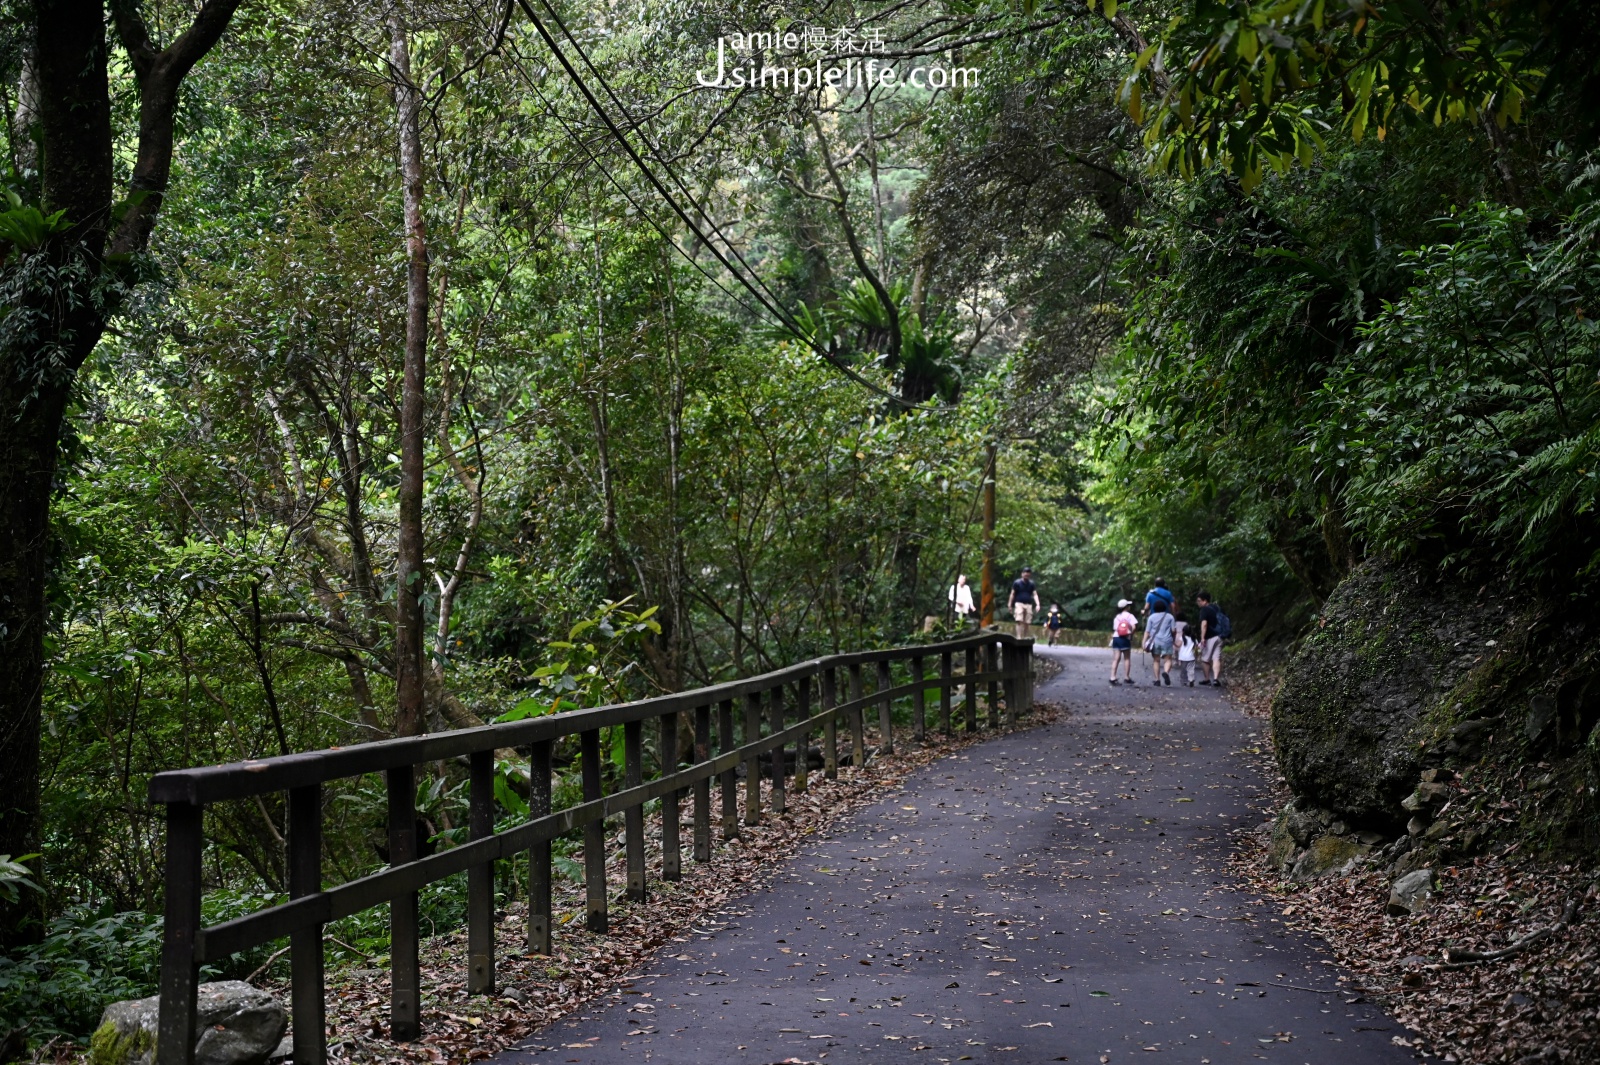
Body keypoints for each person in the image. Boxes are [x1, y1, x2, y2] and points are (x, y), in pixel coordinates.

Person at [1196, 590, 1224, 686]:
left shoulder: (1204, 610)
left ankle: (1207, 679)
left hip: (1210, 637)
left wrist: (1202, 637)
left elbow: (1204, 624)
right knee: (1216, 658)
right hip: (1220, 636)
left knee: (1205, 659)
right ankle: (1216, 679)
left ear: (1205, 601)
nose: (1198, 603)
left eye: (1199, 601)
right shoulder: (1216, 608)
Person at [1145, 599, 1176, 685]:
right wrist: (1173, 637)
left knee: (1156, 660)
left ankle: (1157, 680)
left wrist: (1143, 642)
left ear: (1154, 608)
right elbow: (1173, 630)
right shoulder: (1170, 617)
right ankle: (1166, 672)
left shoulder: (1151, 617)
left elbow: (1147, 631)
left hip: (1155, 641)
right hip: (1167, 641)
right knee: (1168, 660)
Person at [1008, 566, 1041, 639]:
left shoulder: (1031, 584)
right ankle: (1019, 637)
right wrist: (1009, 604)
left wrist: (1038, 604)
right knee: (1019, 620)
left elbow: (1035, 594)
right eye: (1025, 573)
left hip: (1028, 604)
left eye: (1028, 574)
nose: (1026, 575)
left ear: (1030, 575)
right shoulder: (1017, 583)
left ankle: (1025, 637)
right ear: (1022, 574)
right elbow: (1012, 594)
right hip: (1019, 603)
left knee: (1027, 622)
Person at [1109, 598, 1137, 684]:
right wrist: (1130, 634)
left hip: (1116, 638)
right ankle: (1126, 677)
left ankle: (1112, 677)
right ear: (1126, 607)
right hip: (1125, 638)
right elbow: (1134, 627)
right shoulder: (1130, 616)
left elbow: (1115, 628)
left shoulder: (1117, 617)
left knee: (1116, 659)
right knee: (1127, 658)